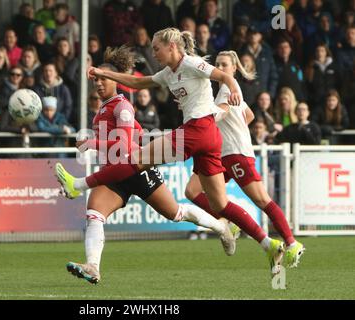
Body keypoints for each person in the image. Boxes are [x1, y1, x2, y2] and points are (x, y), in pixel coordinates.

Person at [56, 28, 284, 274]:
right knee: (219, 204)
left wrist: (233, 85)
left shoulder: (190, 65)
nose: (154, 54)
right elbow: (138, 81)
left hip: (192, 134)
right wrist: (102, 72)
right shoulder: (166, 74)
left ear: (172, 46)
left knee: (145, 170)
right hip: (198, 141)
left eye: (156, 48)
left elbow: (222, 76)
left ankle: (77, 184)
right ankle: (266, 243)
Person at [63, 47, 236, 283]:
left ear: (115, 80)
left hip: (136, 171)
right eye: (96, 80)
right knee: (94, 213)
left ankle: (220, 228)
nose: (99, 84)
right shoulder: (103, 109)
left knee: (175, 213)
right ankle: (93, 266)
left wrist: (93, 142)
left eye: (104, 79)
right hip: (113, 174)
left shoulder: (122, 106)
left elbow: (123, 146)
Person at [183, 51, 305, 269]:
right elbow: (249, 115)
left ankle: (292, 242)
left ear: (234, 69)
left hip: (236, 153)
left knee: (262, 200)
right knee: (191, 191)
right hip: (222, 155)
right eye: (217, 64)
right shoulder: (229, 89)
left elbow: (218, 114)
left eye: (224, 64)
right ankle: (230, 223)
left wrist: (202, 114)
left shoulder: (225, 92)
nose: (220, 67)